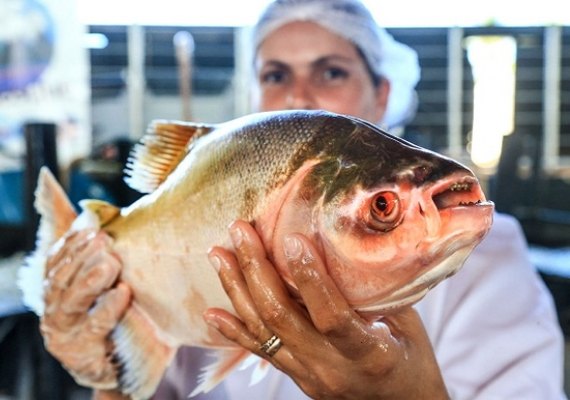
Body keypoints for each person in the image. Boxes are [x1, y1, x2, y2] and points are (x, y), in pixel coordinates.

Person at [39, 1, 566, 399]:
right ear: (255, 96)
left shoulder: (489, 257)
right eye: (275, 76)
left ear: (382, 94)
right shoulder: (215, 193)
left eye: (330, 71)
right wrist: (106, 366)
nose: (298, 96)